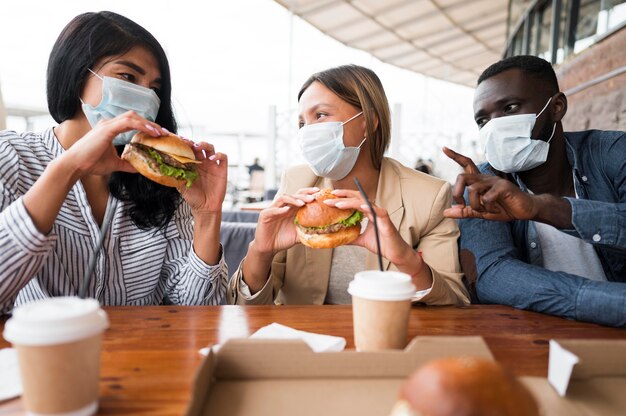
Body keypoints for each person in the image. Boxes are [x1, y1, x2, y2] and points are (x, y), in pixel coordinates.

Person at [0, 12, 228, 314]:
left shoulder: (158, 178)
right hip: (41, 358)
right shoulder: (11, 158)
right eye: (128, 77)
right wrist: (68, 168)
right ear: (76, 74)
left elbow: (200, 310)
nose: (145, 96)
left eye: (155, 89)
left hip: (141, 356)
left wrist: (208, 216)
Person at [228, 65, 468, 305]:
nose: (308, 132)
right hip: (304, 337)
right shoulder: (296, 183)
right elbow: (244, 308)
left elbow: (453, 305)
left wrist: (406, 258)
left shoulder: (429, 196)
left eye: (320, 115)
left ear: (369, 121)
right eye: (302, 123)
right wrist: (260, 251)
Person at [443, 55, 626, 327]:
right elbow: (493, 274)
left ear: (557, 107)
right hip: (533, 341)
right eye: (483, 120)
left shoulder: (611, 152)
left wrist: (540, 208)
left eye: (510, 108)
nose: (494, 126)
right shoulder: (482, 181)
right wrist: (611, 303)